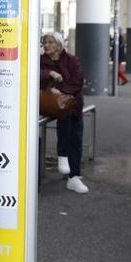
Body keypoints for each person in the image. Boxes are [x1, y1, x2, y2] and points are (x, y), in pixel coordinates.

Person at [40, 32, 88, 194]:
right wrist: (50, 74)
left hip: (69, 104)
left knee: (73, 123)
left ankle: (73, 175)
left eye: (50, 42)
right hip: (49, 103)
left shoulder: (72, 60)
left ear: (59, 45)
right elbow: (33, 75)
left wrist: (60, 92)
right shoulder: (40, 61)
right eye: (45, 42)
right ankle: (64, 159)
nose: (46, 45)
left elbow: (78, 82)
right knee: (67, 114)